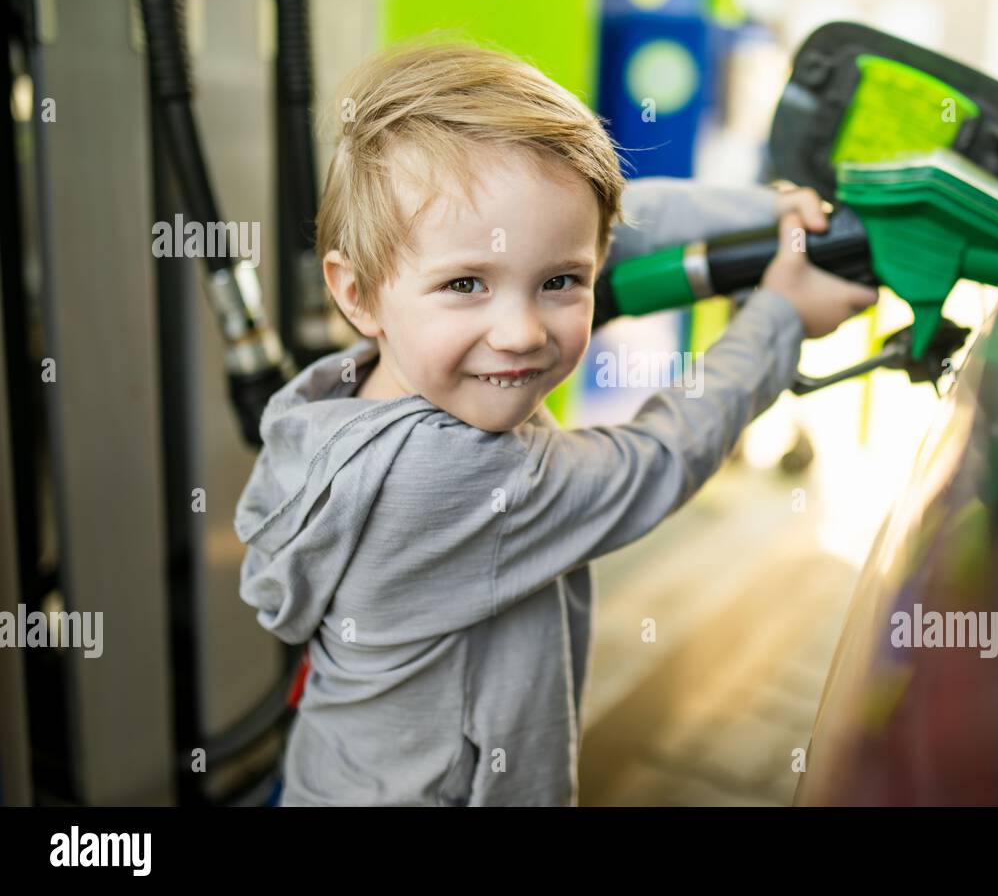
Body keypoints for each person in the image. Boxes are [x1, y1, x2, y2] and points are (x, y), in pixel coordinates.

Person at [234, 41, 877, 805]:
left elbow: (610, 226)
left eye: (559, 283)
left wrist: (765, 210)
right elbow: (658, 457)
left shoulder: (342, 393)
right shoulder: (444, 477)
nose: (521, 332)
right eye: (467, 283)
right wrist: (780, 317)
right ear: (357, 291)